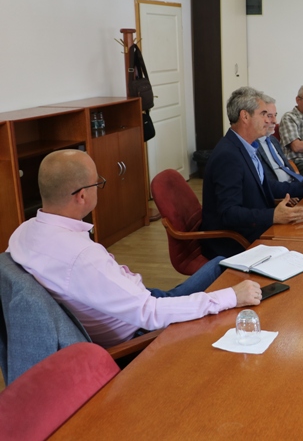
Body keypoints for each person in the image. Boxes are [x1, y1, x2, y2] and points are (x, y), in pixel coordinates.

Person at [7, 149, 263, 348]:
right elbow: (150, 313)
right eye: (98, 183)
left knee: (220, 264)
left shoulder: (23, 232)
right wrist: (232, 297)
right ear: (82, 196)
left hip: (135, 301)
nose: (100, 187)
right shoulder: (82, 257)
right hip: (140, 330)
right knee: (229, 278)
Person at [202, 87, 303, 259]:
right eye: (263, 114)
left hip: (256, 228)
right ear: (245, 116)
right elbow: (228, 213)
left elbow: (265, 186)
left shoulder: (248, 147)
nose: (268, 120)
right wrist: (273, 215)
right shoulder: (228, 156)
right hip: (237, 241)